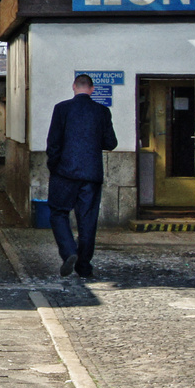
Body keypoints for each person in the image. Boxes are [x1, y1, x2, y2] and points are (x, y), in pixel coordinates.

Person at [46, 73, 118, 278]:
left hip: (64, 173)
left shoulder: (61, 109)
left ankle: (69, 251)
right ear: (92, 89)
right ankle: (84, 266)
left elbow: (53, 142)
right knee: (88, 219)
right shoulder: (102, 111)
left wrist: (54, 167)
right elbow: (111, 143)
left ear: (74, 87)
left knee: (59, 213)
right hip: (91, 174)